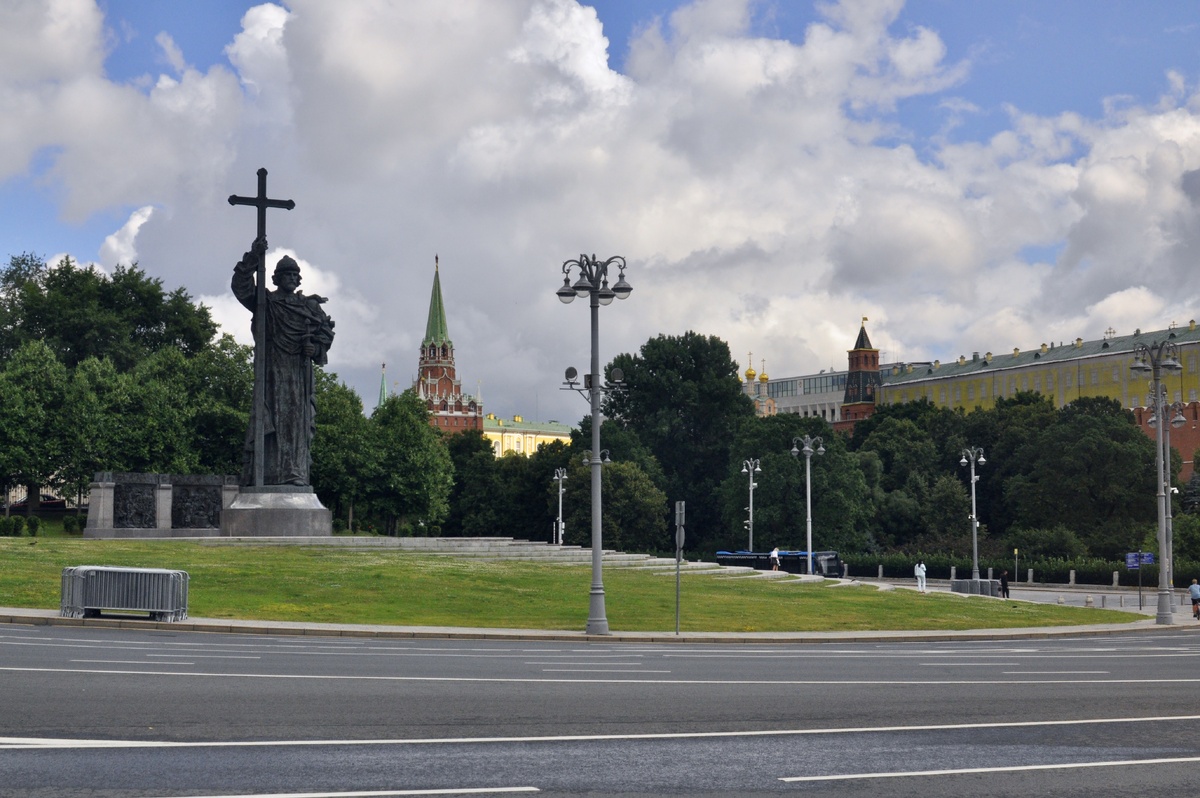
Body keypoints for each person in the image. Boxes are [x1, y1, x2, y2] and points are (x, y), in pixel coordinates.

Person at [232, 238, 335, 487]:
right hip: (271, 372)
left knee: (295, 423)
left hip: (298, 373)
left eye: (295, 275)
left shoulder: (308, 306)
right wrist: (253, 257)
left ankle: (294, 472)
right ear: (276, 278)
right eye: (286, 274)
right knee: (271, 421)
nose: (292, 278)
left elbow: (325, 333)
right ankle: (266, 475)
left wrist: (315, 348)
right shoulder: (266, 302)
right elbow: (242, 288)